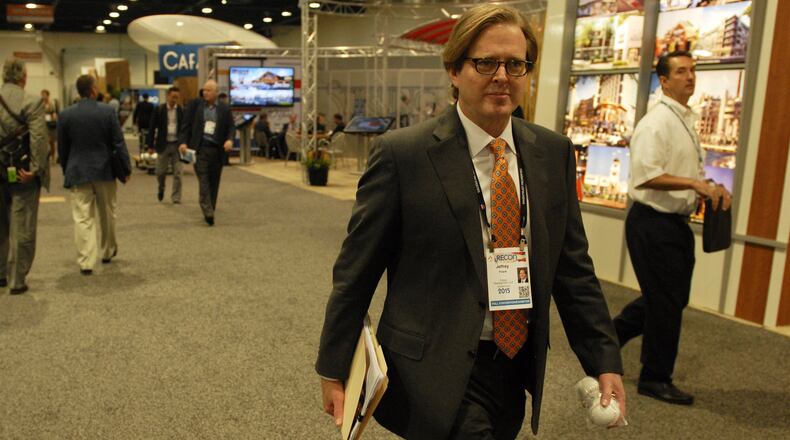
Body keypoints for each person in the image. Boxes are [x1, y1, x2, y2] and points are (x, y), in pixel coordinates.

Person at [316, 5, 625, 439]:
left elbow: (573, 270)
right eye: (486, 62)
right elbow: (355, 272)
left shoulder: (551, 154)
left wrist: (603, 360)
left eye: (515, 64)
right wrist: (334, 366)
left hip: (514, 364)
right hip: (431, 364)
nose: (502, 75)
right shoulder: (404, 155)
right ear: (454, 70)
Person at [612, 51, 731, 406]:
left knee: (670, 297)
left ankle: (609, 335)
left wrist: (706, 183)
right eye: (681, 72)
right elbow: (647, 175)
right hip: (652, 222)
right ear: (664, 80)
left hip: (673, 223)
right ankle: (654, 377)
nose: (690, 77)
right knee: (665, 302)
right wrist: (694, 186)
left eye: (693, 71)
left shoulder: (684, 119)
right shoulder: (656, 122)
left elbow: (677, 170)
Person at [58, 74, 131, 275]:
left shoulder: (65, 115)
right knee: (107, 213)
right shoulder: (108, 112)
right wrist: (125, 169)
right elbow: (118, 142)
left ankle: (86, 262)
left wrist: (67, 169)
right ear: (93, 90)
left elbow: (63, 149)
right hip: (105, 170)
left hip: (78, 171)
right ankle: (107, 251)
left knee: (82, 218)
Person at [0, 59, 50, 294]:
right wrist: (36, 168)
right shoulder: (32, 101)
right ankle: (17, 280)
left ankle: (0, 274)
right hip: (21, 173)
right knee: (22, 224)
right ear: (23, 77)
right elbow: (39, 139)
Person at [178, 79, 234, 226]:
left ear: (216, 92)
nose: (205, 92)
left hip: (217, 151)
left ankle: (211, 208)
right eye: (204, 89)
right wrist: (183, 142)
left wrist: (230, 140)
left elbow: (231, 128)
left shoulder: (224, 109)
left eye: (209, 90)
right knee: (203, 181)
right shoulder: (195, 105)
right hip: (200, 149)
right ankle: (208, 211)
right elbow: (185, 126)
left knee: (214, 182)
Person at [146, 86, 183, 203]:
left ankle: (176, 197)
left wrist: (186, 143)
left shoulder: (182, 111)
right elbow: (152, 128)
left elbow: (186, 129)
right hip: (163, 144)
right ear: (168, 96)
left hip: (177, 145)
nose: (175, 100)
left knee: (178, 173)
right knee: (160, 172)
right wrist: (150, 146)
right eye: (173, 97)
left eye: (177, 98)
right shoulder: (159, 110)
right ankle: (161, 187)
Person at [40, 89, 59, 162]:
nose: (43, 96)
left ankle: (53, 157)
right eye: (42, 94)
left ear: (48, 95)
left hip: (50, 125)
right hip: (43, 125)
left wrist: (54, 117)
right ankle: (45, 157)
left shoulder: (51, 104)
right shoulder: (40, 104)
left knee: (51, 142)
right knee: (44, 142)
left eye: (44, 94)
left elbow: (54, 113)